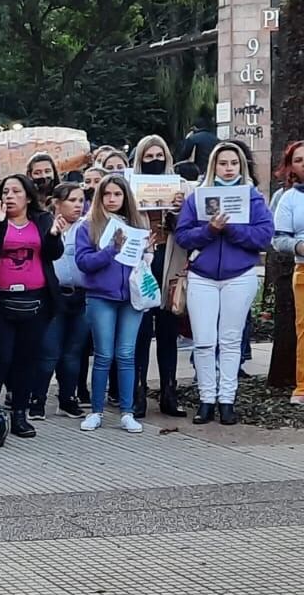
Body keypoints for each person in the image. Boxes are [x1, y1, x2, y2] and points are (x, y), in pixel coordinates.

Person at [175, 142, 275, 425]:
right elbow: (183, 236)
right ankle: (206, 399)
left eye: (233, 163)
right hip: (203, 277)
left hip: (239, 276)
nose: (228, 168)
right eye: (223, 163)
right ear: (214, 166)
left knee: (230, 341)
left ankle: (226, 400)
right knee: (204, 341)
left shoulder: (253, 198)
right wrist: (209, 230)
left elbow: (264, 237)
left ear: (240, 166)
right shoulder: (198, 197)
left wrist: (231, 229)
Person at [0, 175, 62, 439]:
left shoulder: (42, 221)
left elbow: (53, 253)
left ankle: (19, 414)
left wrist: (52, 237)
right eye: (5, 191)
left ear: (28, 196)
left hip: (35, 300)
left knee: (27, 359)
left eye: (16, 191)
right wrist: (0, 226)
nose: (10, 196)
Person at [74, 174, 150, 433]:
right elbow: (84, 263)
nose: (112, 199)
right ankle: (96, 411)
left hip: (131, 297)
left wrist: (147, 250)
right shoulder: (89, 225)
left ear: (125, 196)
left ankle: (127, 412)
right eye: (107, 194)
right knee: (104, 354)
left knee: (126, 355)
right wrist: (111, 250)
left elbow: (142, 261)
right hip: (101, 296)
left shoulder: (137, 223)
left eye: (117, 194)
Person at [130, 135, 191, 420]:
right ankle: (138, 392)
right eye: (148, 156)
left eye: (159, 156)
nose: (154, 160)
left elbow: (192, 228)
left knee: (167, 331)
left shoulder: (182, 187)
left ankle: (169, 391)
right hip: (142, 261)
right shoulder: (129, 186)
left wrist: (179, 211)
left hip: (170, 261)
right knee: (141, 332)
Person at [31, 182, 91, 419]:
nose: (78, 205)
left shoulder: (88, 227)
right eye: (72, 200)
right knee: (49, 352)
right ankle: (37, 399)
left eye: (81, 200)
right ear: (57, 203)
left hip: (81, 294)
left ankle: (68, 398)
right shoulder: (44, 225)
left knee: (73, 352)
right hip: (53, 296)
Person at [273, 140, 304, 406]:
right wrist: (300, 245)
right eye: (299, 160)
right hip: (303, 267)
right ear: (291, 167)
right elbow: (279, 239)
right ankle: (303, 386)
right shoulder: (289, 198)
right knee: (303, 329)